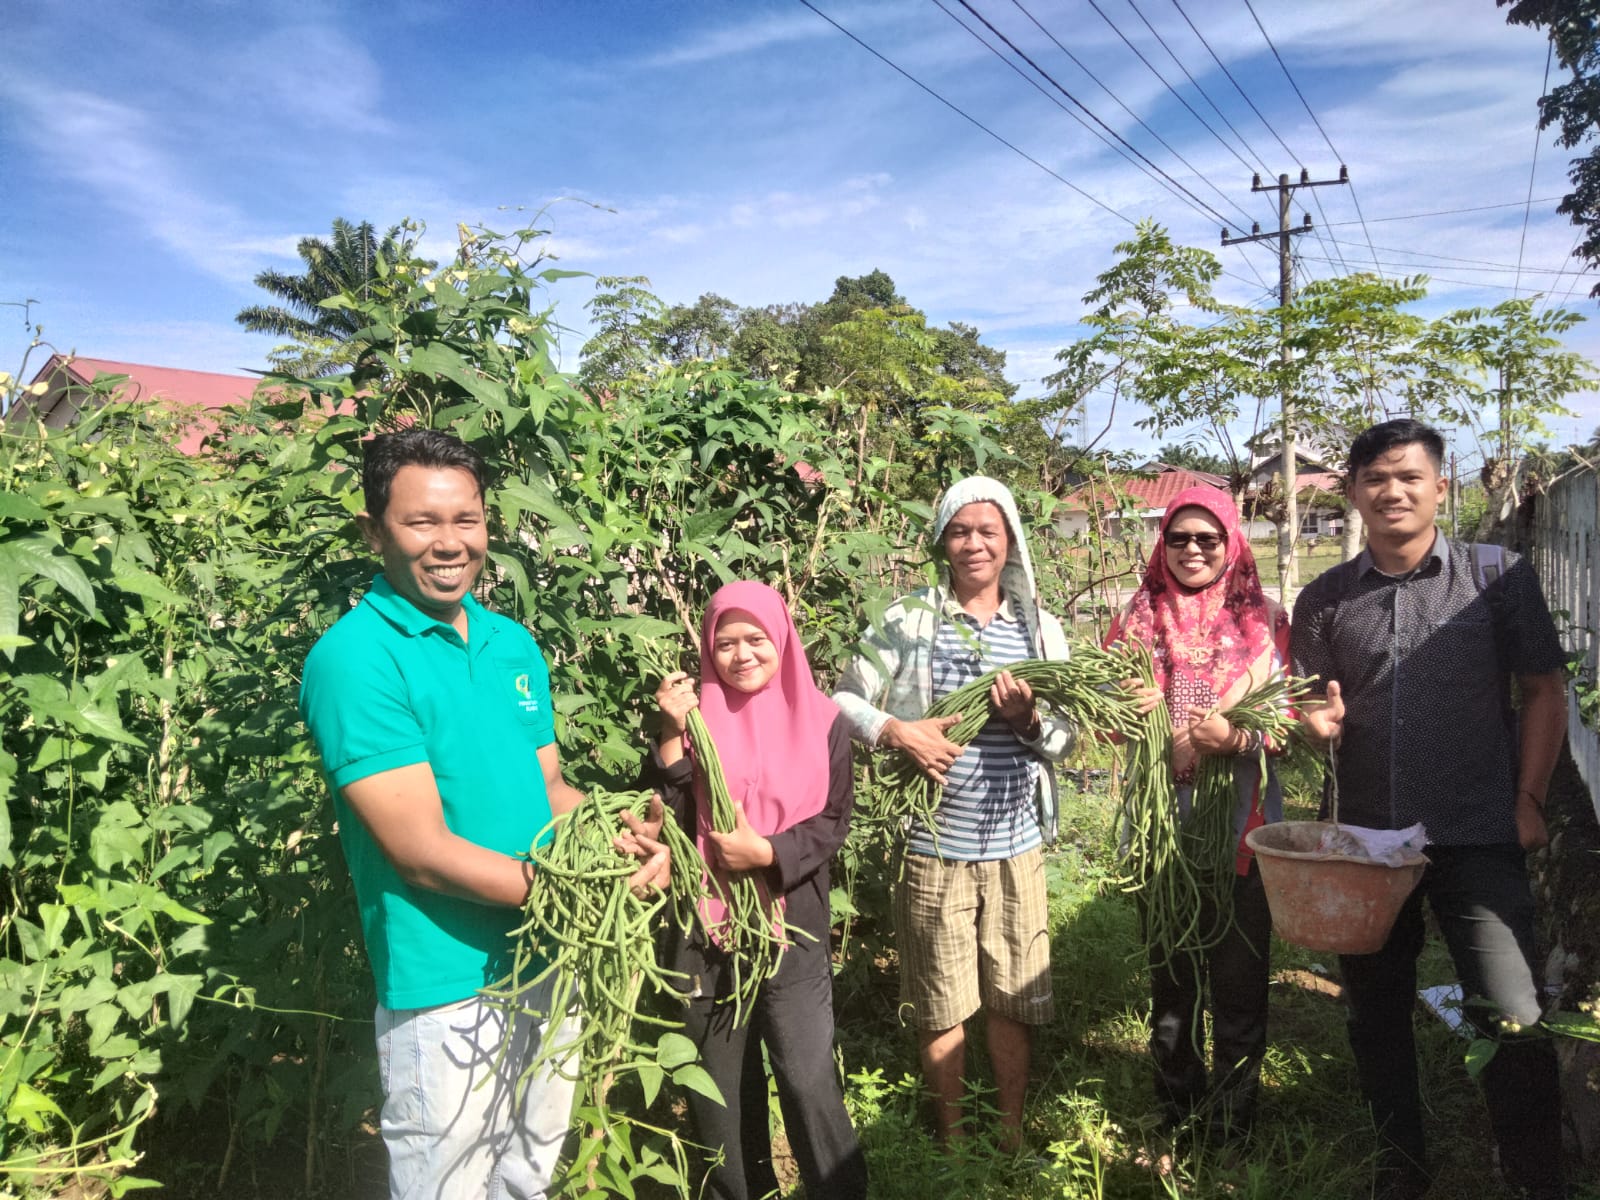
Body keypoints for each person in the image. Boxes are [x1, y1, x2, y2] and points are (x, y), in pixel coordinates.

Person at [299, 428, 669, 1200]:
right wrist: (580, 896)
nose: (449, 544)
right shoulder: (357, 658)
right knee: (449, 1186)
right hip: (447, 983)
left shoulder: (509, 642)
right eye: (421, 522)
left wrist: (619, 842)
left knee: (528, 1172)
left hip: (547, 959)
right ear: (374, 532)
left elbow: (552, 791)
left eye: (465, 520)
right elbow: (420, 850)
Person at [1292, 418, 1567, 1200]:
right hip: (1368, 841)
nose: (1392, 491)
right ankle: (1400, 1169)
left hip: (1478, 827)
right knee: (1375, 1017)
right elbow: (1312, 705)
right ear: (1351, 492)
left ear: (1440, 486)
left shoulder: (1496, 576)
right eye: (1375, 478)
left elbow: (1544, 689)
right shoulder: (1325, 598)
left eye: (1409, 476)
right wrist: (1316, 724)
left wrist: (1529, 799)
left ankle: (1534, 1174)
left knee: (1512, 1012)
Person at [833, 476, 1075, 1150]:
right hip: (935, 842)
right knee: (941, 999)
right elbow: (843, 700)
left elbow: (1067, 736)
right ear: (942, 539)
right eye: (960, 530)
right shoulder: (909, 620)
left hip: (1016, 842)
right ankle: (953, 1139)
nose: (974, 544)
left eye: (987, 531)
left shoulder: (1038, 629)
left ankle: (1011, 1130)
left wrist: (1029, 721)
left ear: (1010, 541)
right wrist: (898, 731)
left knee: (1012, 995)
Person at [642, 580, 868, 1200]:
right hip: (704, 932)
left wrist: (767, 853)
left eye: (756, 639)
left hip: (791, 924)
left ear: (782, 638)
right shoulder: (692, 717)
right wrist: (668, 731)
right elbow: (667, 808)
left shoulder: (824, 721)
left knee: (806, 1077)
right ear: (708, 648)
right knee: (718, 1092)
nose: (741, 654)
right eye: (725, 642)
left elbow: (832, 822)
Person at [1106, 486, 1289, 1146]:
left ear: (1231, 544)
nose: (1191, 550)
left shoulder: (1265, 625)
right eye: (1178, 538)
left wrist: (1236, 740)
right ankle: (1177, 1110)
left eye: (1206, 539)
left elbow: (1288, 724)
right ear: (1163, 544)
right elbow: (1104, 725)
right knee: (1172, 985)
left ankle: (1235, 1126)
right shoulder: (1134, 620)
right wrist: (1126, 708)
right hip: (1163, 831)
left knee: (1238, 984)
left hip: (1239, 827)